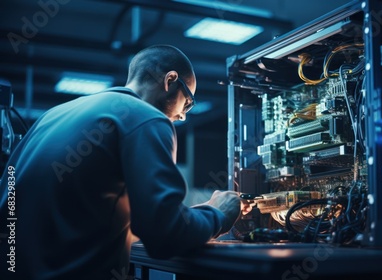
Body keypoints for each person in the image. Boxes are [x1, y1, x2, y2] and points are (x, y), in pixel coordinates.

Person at [0, 45, 247, 280]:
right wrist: (218, 215)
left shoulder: (52, 116)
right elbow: (164, 236)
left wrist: (189, 215)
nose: (182, 115)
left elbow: (12, 204)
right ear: (170, 81)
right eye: (188, 101)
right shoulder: (148, 118)